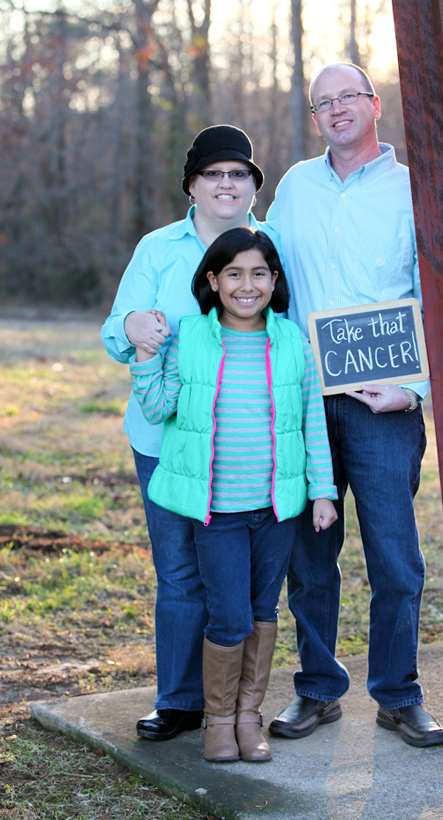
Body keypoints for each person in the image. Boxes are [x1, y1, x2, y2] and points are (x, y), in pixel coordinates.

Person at [262, 62, 443, 748]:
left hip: (385, 405)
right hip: (305, 403)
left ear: (374, 105)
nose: (336, 109)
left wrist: (417, 389)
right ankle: (317, 690)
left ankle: (399, 694)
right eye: (323, 103)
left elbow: (441, 296)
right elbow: (263, 270)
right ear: (315, 120)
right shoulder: (295, 187)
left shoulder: (414, 186)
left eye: (348, 97)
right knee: (309, 559)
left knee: (396, 560)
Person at [130, 227, 338, 763]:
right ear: (214, 281)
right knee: (229, 616)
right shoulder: (191, 338)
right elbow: (157, 409)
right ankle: (218, 722)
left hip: (276, 510)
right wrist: (145, 354)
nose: (248, 285)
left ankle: (249, 718)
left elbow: (312, 421)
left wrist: (322, 491)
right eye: (235, 274)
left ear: (275, 280)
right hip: (217, 512)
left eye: (259, 274)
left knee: (263, 609)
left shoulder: (291, 341)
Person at [101, 125, 265, 741]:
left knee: (243, 579)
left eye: (239, 174)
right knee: (178, 571)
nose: (227, 184)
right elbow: (116, 330)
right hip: (164, 438)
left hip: (245, 440)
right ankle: (179, 700)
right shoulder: (158, 248)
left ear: (252, 185)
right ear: (192, 186)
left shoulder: (270, 244)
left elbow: (292, 336)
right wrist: (135, 324)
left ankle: (237, 705)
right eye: (213, 174)